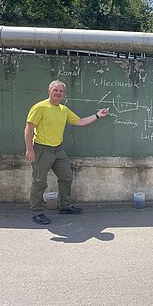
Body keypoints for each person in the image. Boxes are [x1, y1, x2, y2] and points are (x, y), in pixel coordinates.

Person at [24, 80, 109, 225]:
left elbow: (80, 122)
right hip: (42, 149)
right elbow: (29, 129)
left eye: (61, 91)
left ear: (64, 94)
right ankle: (37, 213)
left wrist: (98, 115)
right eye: (55, 90)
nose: (58, 93)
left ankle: (65, 206)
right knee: (39, 182)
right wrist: (29, 150)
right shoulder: (40, 107)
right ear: (49, 91)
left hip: (58, 149)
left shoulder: (63, 110)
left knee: (66, 177)